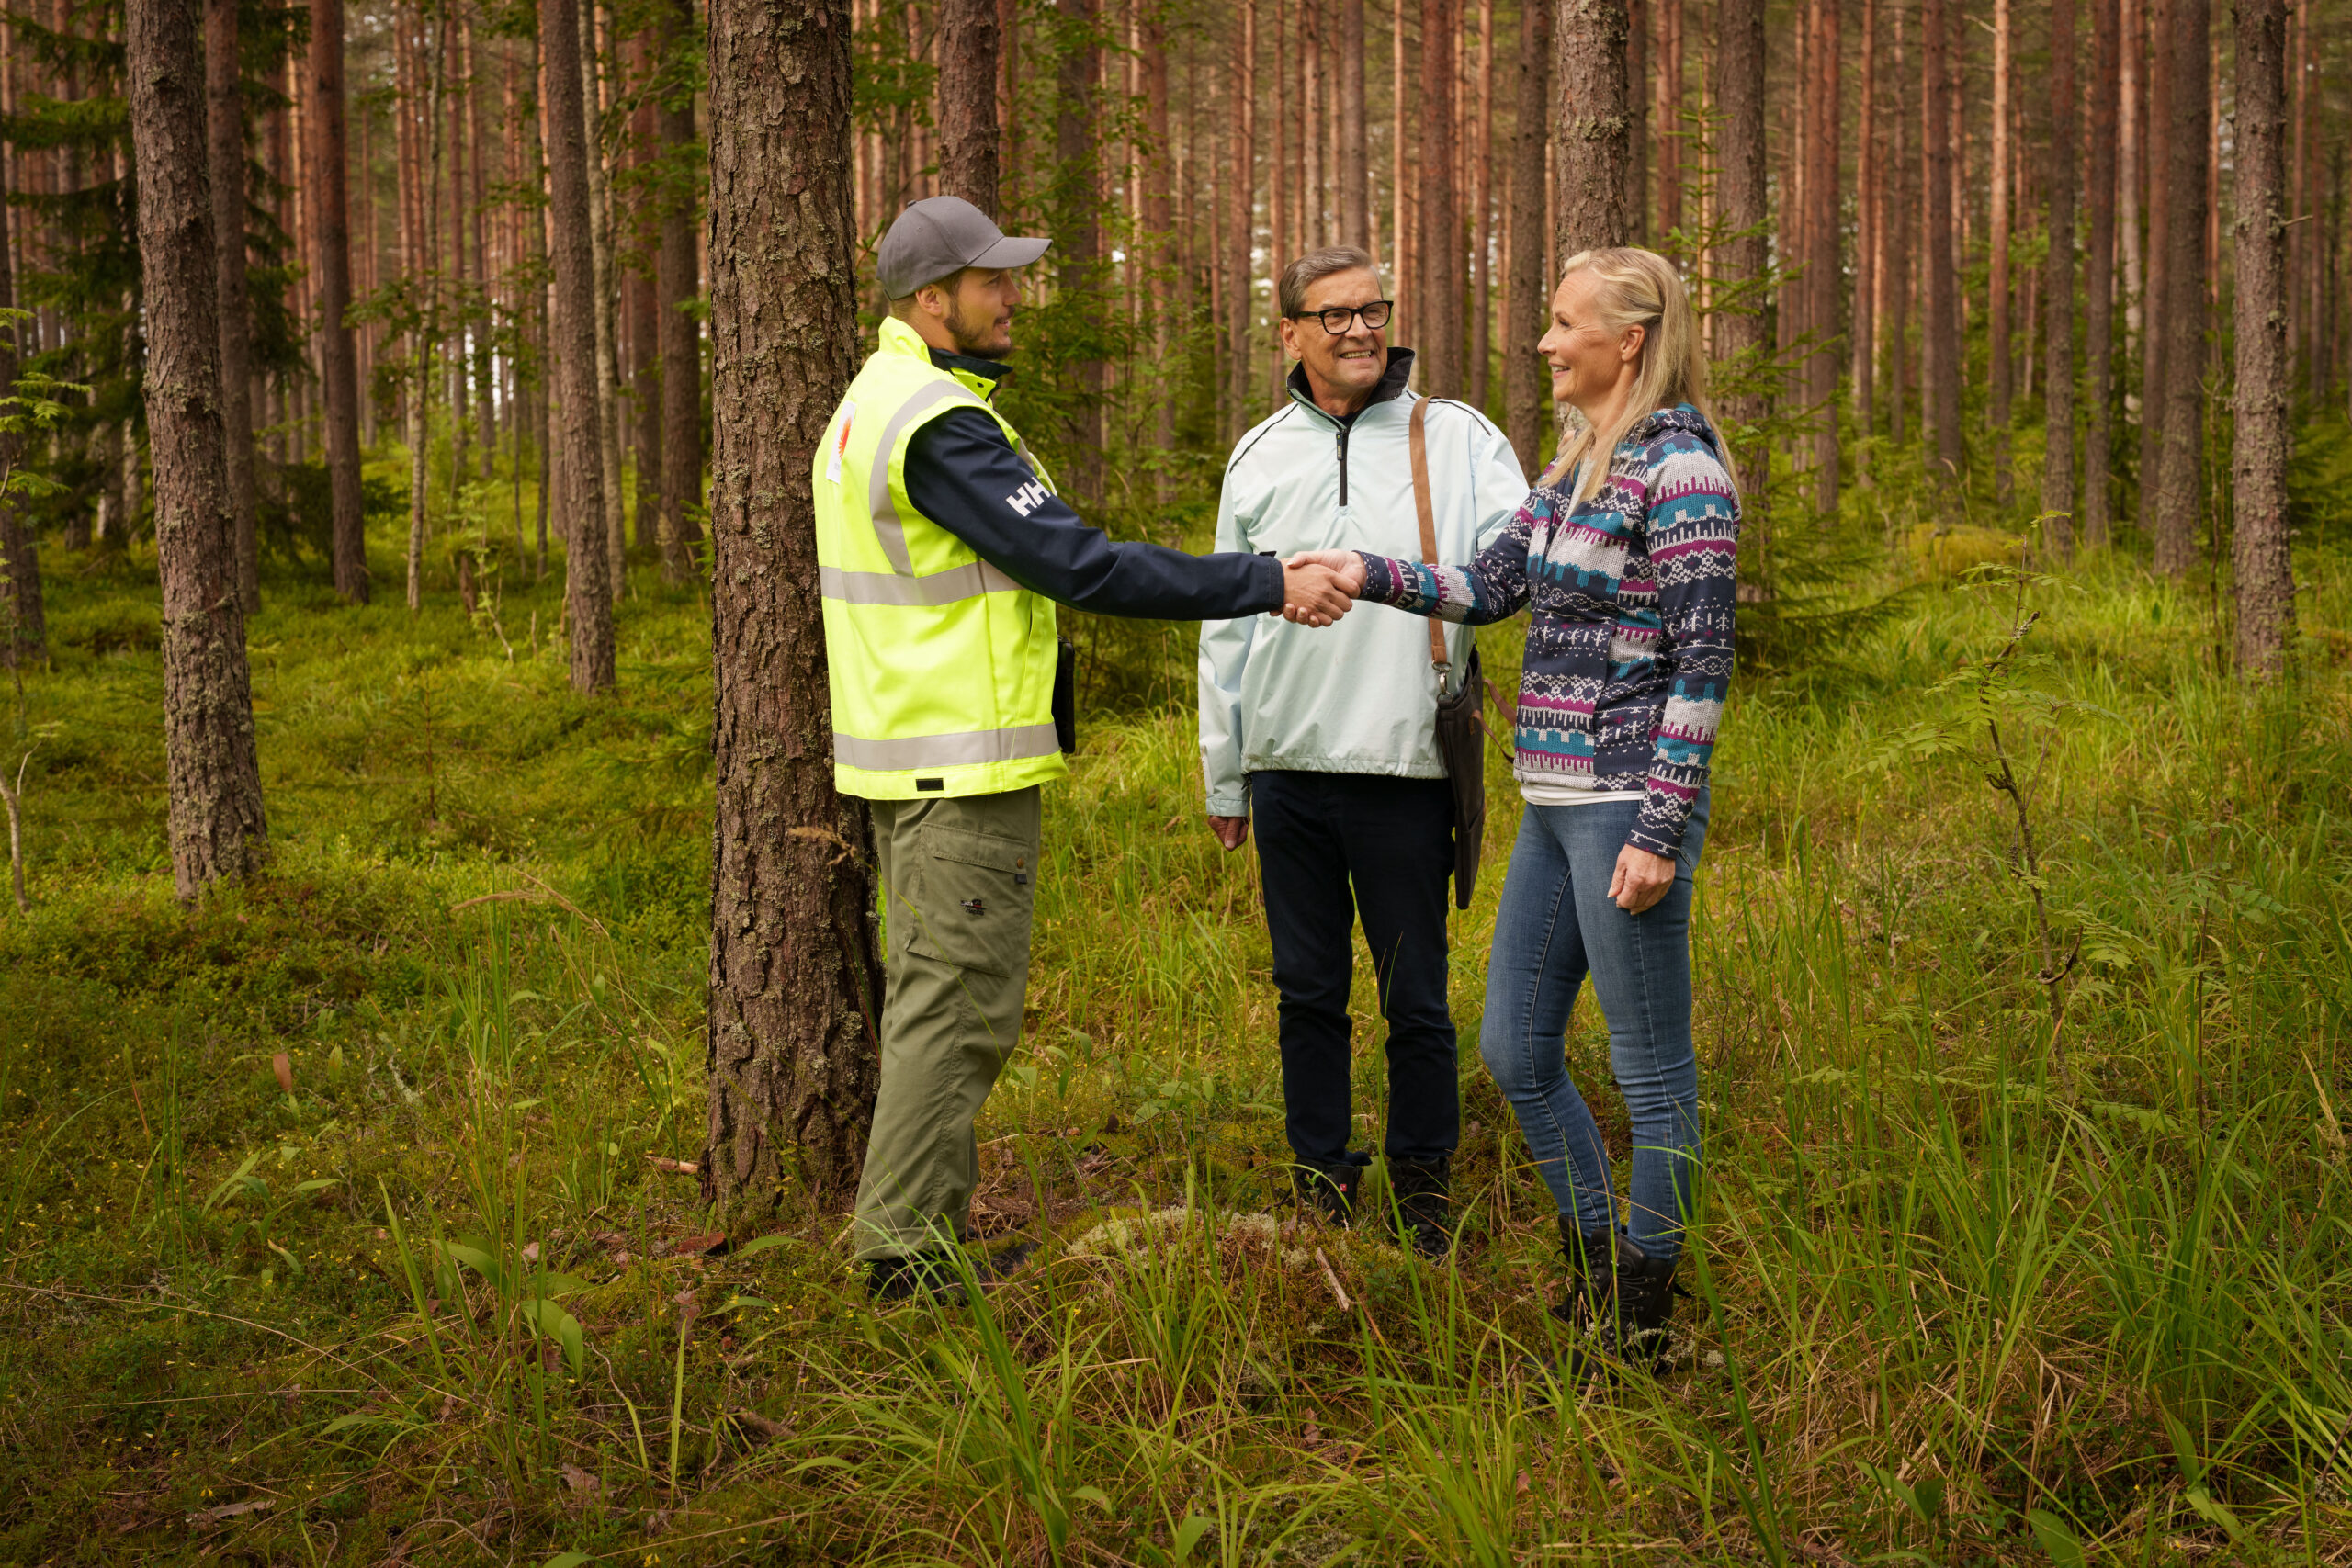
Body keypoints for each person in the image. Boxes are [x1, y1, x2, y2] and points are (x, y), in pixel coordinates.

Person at [816, 197, 1357, 1303]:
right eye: (992, 282)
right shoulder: (936, 422)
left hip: (915, 755)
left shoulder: (884, 401)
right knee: (954, 1011)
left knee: (943, 1001)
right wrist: (1265, 581)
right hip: (954, 765)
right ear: (932, 300)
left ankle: (919, 1237)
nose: (1014, 297)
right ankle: (906, 1262)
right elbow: (1080, 565)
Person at [1290, 247, 1739, 1367]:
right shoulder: (1583, 458)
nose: (1544, 343)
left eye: (1561, 324)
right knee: (1515, 1052)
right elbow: (1487, 587)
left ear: (1625, 340)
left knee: (1652, 1078)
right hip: (1550, 799)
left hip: (1623, 802)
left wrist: (1659, 828)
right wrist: (1362, 570)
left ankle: (1641, 1317)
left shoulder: (1679, 469)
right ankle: (1596, 1259)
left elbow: (1702, 660)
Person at [1197, 247, 1525, 1256]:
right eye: (1330, 313)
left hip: (1405, 767)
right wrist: (1225, 770)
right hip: (1286, 769)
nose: (1356, 329)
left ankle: (1424, 1192)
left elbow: (1520, 563)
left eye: (1371, 308)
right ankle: (1322, 1185)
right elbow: (1223, 624)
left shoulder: (1458, 438)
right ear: (1287, 332)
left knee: (1414, 997)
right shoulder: (1258, 455)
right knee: (1307, 995)